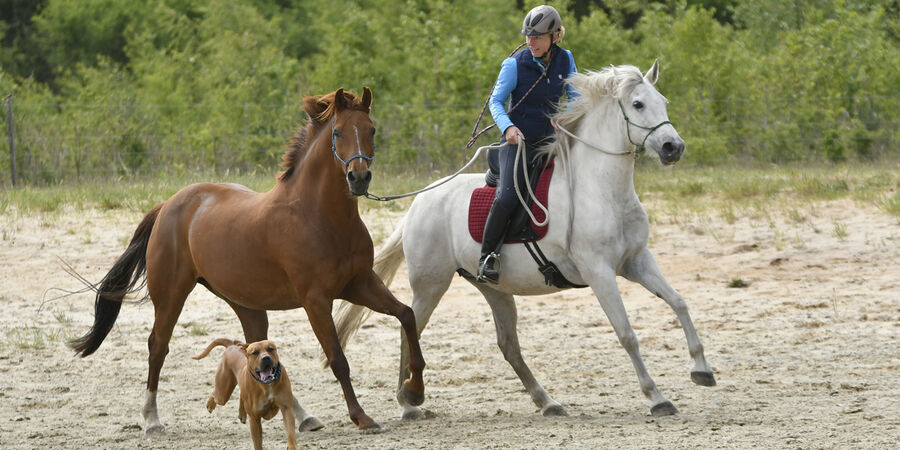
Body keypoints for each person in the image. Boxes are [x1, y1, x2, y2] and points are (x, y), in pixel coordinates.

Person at [477, 4, 578, 284]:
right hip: (517, 144)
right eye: (528, 36)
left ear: (555, 37)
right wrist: (508, 127)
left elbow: (576, 98)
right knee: (509, 196)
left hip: (550, 141)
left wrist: (566, 117)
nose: (530, 42)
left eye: (538, 37)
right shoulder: (513, 65)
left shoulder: (566, 60)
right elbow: (496, 102)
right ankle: (487, 257)